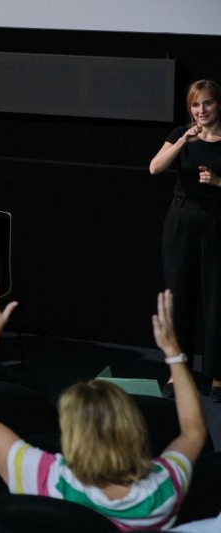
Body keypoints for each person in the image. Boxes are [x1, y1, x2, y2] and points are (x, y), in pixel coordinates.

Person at [0, 277, 206, 531]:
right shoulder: (163, 489)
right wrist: (174, 354)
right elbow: (194, 429)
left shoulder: (46, 476)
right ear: (133, 427)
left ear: (70, 434)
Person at [149, 79, 221, 401]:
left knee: (217, 299)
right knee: (179, 298)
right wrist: (182, 143)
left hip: (217, 223)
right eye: (195, 105)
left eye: (207, 103)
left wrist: (219, 181)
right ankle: (178, 372)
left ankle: (217, 375)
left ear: (218, 105)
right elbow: (154, 168)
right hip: (181, 221)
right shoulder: (181, 134)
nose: (201, 110)